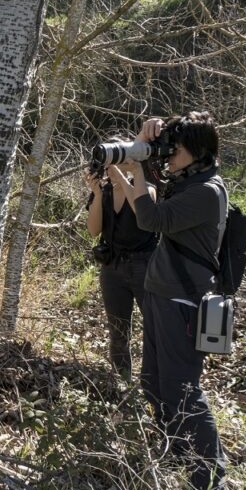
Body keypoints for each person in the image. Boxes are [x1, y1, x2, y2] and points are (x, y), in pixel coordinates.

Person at [109, 112, 228, 490]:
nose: (168, 156)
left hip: (183, 302)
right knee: (154, 382)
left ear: (198, 152)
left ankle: (210, 482)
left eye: (174, 151)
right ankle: (176, 454)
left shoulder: (206, 192)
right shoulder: (188, 181)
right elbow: (154, 187)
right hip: (162, 294)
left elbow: (149, 218)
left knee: (183, 389)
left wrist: (140, 166)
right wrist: (147, 142)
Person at [84, 159, 157, 382]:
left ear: (128, 164)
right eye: (107, 165)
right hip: (112, 267)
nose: (109, 169)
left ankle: (154, 381)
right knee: (118, 329)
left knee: (155, 326)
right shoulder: (103, 192)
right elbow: (94, 230)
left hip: (145, 265)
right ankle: (121, 378)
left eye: (115, 163)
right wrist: (96, 195)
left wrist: (123, 179)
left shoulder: (147, 189)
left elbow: (145, 218)